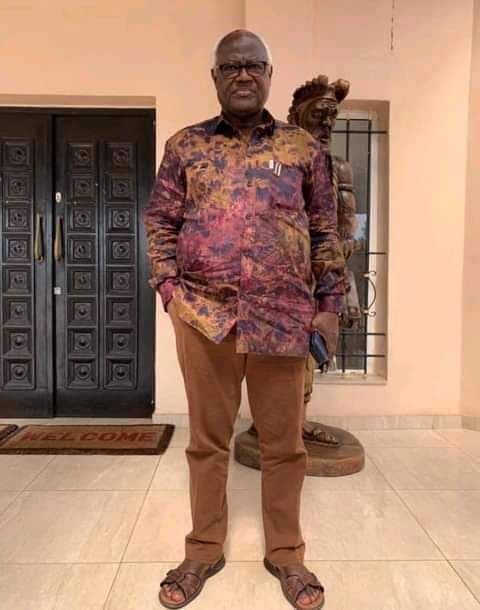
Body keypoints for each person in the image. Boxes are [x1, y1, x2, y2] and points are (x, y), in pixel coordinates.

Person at [144, 29, 345, 610]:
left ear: (269, 75)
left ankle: (287, 554)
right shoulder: (185, 146)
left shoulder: (303, 149)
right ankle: (203, 548)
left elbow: (325, 230)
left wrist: (329, 307)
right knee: (207, 443)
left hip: (283, 318)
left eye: (254, 65)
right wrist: (170, 291)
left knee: (284, 446)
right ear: (214, 76)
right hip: (204, 316)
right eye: (231, 66)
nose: (243, 75)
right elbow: (159, 221)